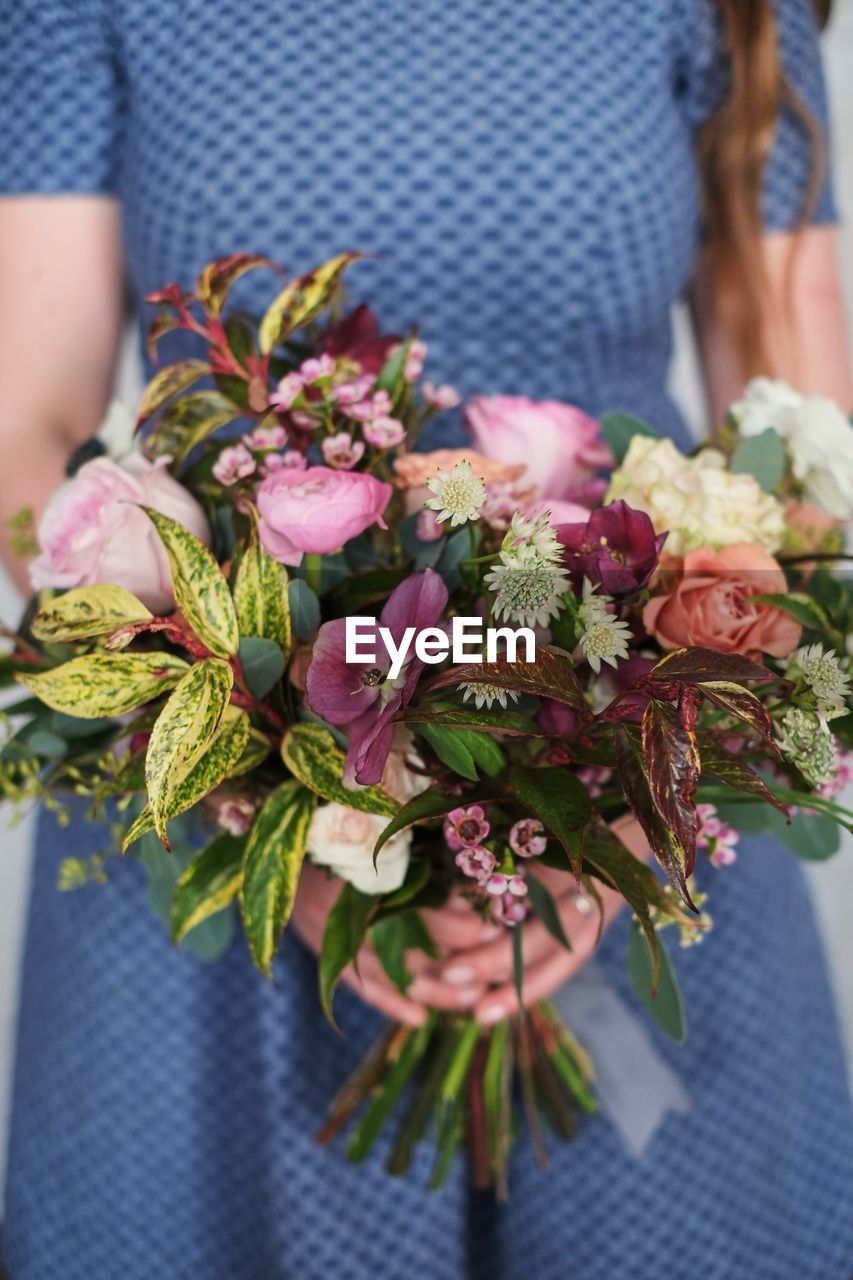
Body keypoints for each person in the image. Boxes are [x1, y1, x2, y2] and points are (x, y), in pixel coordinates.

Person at [0, 2, 851, 1277]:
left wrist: (597, 836)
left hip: (632, 749)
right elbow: (35, 418)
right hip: (212, 790)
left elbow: (803, 430)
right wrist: (281, 807)